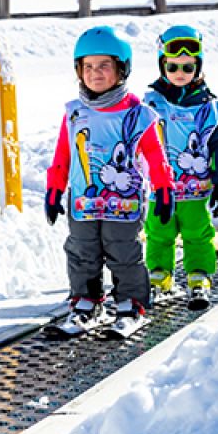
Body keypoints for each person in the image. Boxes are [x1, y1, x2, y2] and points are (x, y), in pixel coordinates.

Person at [44, 25, 175, 327]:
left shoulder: (138, 114)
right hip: (83, 202)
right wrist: (53, 190)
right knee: (81, 252)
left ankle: (131, 303)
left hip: (123, 203)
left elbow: (156, 157)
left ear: (122, 69)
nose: (95, 73)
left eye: (104, 65)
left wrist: (164, 189)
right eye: (88, 66)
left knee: (123, 252)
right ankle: (86, 300)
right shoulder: (75, 113)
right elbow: (62, 156)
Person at [142, 25, 218, 305]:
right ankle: (159, 275)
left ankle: (199, 275)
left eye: (188, 67)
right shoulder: (152, 103)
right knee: (158, 233)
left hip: (196, 188)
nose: (180, 73)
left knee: (197, 233)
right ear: (162, 66)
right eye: (173, 66)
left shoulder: (208, 107)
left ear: (198, 67)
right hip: (161, 189)